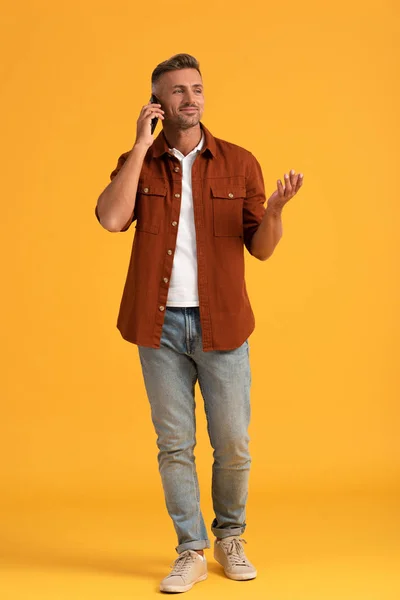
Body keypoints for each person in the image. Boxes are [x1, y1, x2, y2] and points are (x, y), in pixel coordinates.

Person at [95, 53, 304, 594]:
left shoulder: (240, 163)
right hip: (157, 325)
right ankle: (189, 548)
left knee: (233, 443)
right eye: (178, 91)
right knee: (174, 445)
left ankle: (230, 536)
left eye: (197, 88)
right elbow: (111, 218)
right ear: (157, 103)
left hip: (224, 326)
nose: (191, 98)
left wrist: (276, 213)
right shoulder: (138, 161)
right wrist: (141, 144)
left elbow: (261, 250)